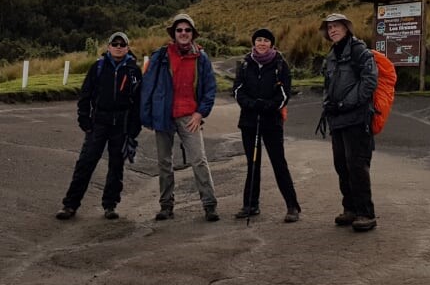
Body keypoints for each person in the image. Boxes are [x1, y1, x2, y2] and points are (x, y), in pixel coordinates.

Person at [140, 13, 219, 222]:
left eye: (187, 30)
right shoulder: (161, 55)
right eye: (179, 30)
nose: (183, 33)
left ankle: (209, 205)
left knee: (199, 160)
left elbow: (210, 89)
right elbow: (148, 85)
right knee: (164, 163)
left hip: (189, 116)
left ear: (193, 34)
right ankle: (166, 206)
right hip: (164, 115)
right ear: (174, 34)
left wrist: (200, 112)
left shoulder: (201, 58)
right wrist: (147, 114)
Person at [57, 31, 142, 221]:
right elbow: (85, 95)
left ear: (127, 47)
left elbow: (138, 102)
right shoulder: (98, 67)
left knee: (116, 166)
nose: (118, 47)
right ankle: (70, 204)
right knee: (85, 163)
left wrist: (134, 128)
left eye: (122, 44)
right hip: (99, 123)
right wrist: (84, 119)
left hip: (121, 124)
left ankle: (110, 205)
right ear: (108, 46)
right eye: (115, 43)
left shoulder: (133, 70)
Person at [233, 27, 302, 223]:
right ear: (254, 42)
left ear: (272, 43)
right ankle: (250, 205)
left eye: (266, 40)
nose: (262, 43)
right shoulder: (246, 63)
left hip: (271, 121)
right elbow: (238, 90)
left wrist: (268, 106)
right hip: (249, 121)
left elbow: (284, 94)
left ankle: (292, 206)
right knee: (252, 164)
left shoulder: (280, 64)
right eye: (259, 40)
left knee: (279, 163)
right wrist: (251, 104)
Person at [319, 12, 379, 232]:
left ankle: (366, 213)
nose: (332, 30)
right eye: (329, 27)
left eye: (336, 26)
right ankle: (350, 209)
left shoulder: (359, 51)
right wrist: (328, 105)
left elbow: (369, 81)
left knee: (357, 165)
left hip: (356, 117)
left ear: (347, 28)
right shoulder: (332, 55)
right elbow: (327, 84)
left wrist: (345, 104)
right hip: (337, 119)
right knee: (342, 165)